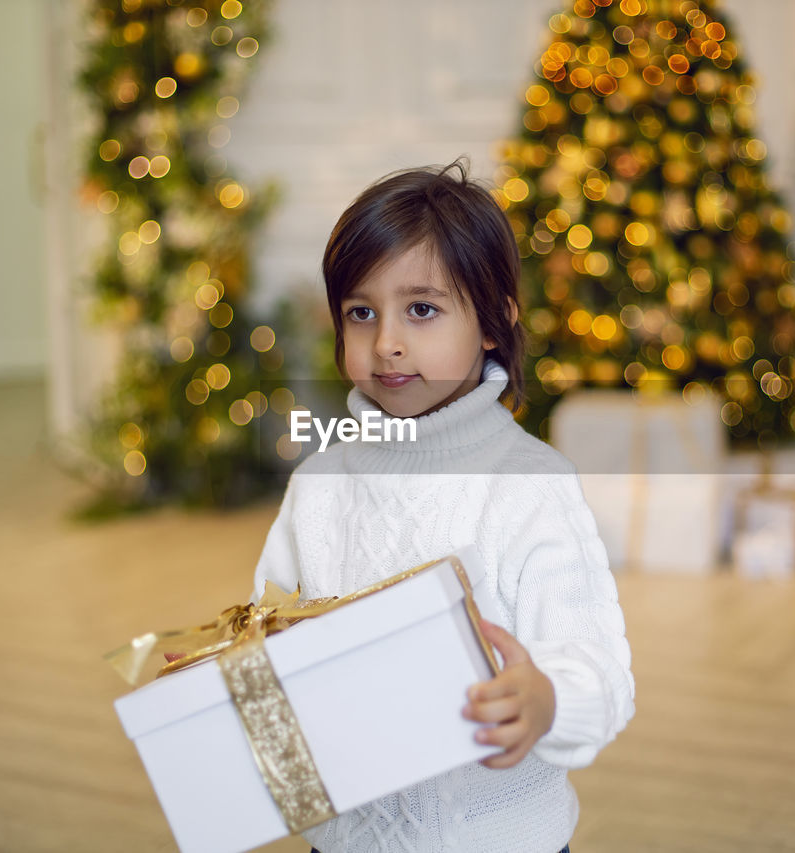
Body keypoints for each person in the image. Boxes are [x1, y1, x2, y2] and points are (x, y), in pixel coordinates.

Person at [250, 160, 634, 853]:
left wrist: (545, 699)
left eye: (421, 309)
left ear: (493, 321)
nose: (386, 341)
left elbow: (599, 672)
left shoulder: (532, 487)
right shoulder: (318, 485)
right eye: (360, 312)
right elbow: (265, 635)